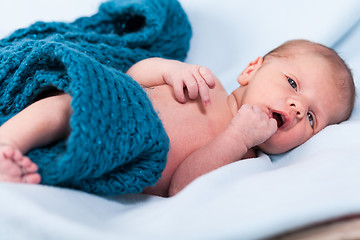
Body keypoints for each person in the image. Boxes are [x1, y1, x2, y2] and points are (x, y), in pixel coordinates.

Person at [0, 39, 355, 197]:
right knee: (66, 106)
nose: (295, 107)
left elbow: (182, 187)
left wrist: (237, 138)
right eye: (292, 83)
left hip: (121, 154)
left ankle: (23, 164)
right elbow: (136, 76)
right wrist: (170, 70)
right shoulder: (207, 83)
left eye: (311, 117)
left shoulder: (244, 158)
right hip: (115, 105)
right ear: (250, 70)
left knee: (62, 155)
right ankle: (8, 143)